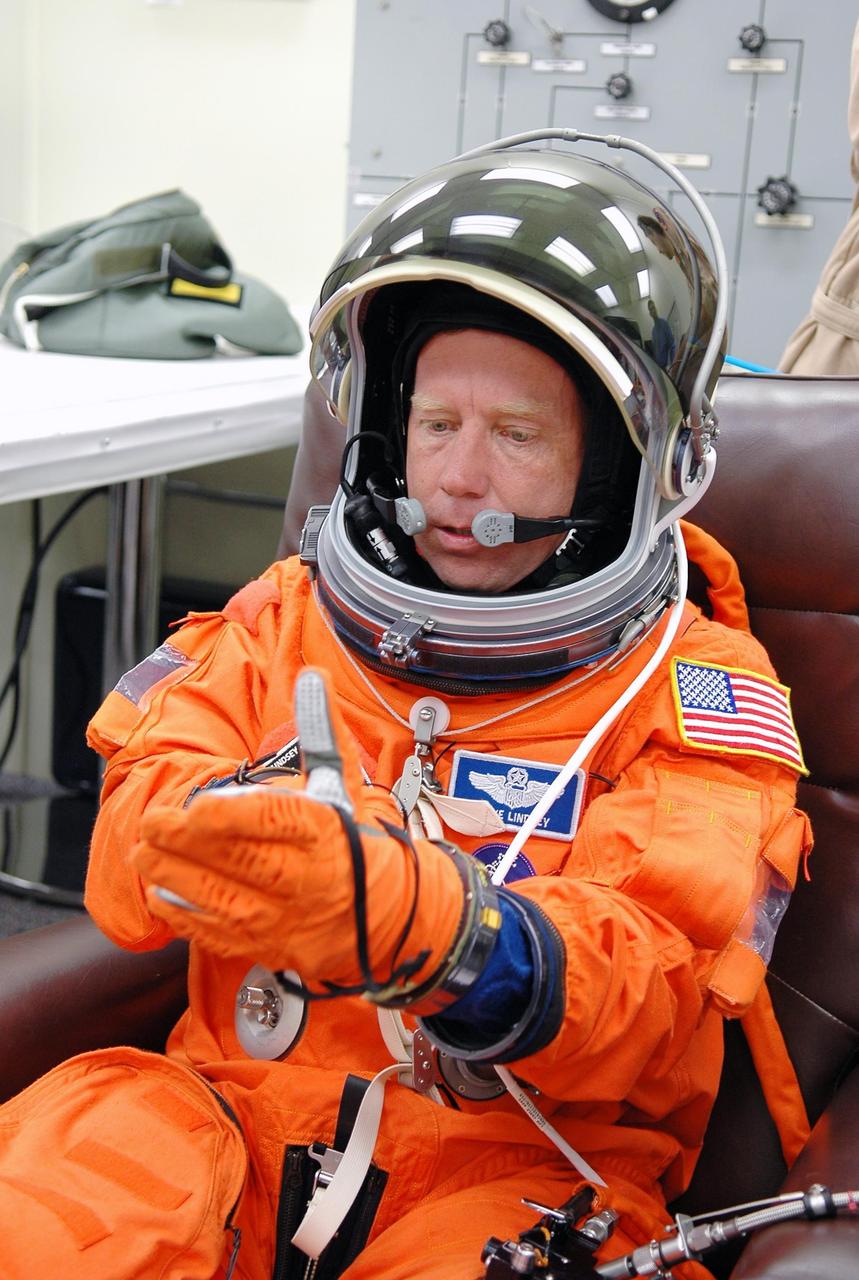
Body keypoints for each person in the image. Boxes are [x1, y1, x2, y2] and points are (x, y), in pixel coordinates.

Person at [0, 136, 812, 1280]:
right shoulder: (283, 616)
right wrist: (245, 826)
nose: (458, 479)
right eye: (436, 424)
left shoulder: (693, 685)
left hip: (517, 1165)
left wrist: (452, 935)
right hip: (216, 1116)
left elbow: (656, 975)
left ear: (623, 468)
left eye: (517, 435)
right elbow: (134, 864)